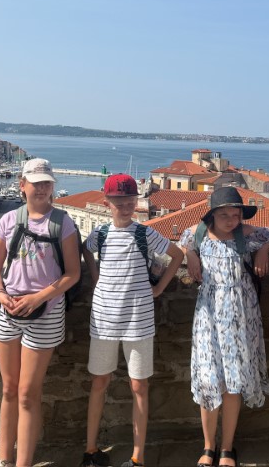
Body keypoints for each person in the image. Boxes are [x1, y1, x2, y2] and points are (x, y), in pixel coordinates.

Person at [81, 173, 184, 467]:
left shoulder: (144, 234)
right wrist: (96, 277)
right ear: (107, 203)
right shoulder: (100, 234)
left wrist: (159, 289)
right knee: (99, 381)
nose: (126, 208)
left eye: (130, 202)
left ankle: (138, 456)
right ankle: (90, 450)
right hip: (104, 318)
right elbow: (86, 249)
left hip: (138, 319)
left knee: (139, 386)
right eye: (119, 203)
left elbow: (177, 255)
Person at [0, 158, 81, 467]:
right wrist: (1, 295)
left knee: (28, 392)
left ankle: (23, 462)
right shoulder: (9, 220)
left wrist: (39, 298)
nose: (41, 188)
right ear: (23, 185)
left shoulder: (63, 223)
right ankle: (4, 459)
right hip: (9, 310)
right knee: (9, 389)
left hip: (46, 312)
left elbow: (73, 273)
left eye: (46, 183)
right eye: (36, 183)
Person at [179, 186, 269, 467]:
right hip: (208, 318)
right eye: (224, 215)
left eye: (236, 215)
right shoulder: (198, 234)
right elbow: (184, 241)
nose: (231, 220)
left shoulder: (248, 235)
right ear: (212, 215)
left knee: (233, 384)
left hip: (240, 316)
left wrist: (263, 251)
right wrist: (191, 255)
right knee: (209, 381)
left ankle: (226, 449)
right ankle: (208, 446)